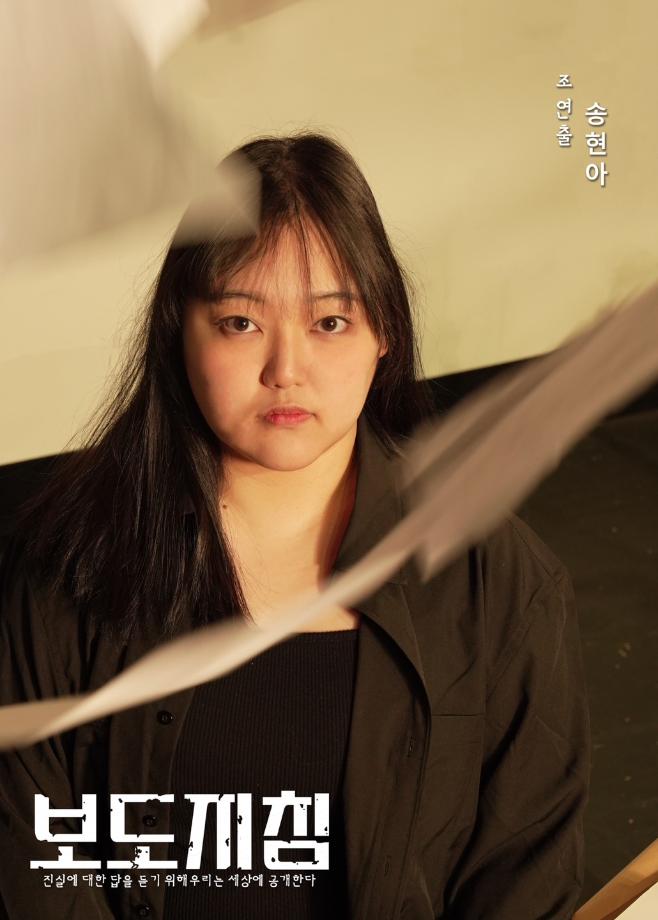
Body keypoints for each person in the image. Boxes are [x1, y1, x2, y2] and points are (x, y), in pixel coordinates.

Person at [0, 132, 590, 919]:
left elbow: (524, 874)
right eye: (240, 322)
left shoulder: (500, 582)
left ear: (384, 333)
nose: (286, 369)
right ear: (180, 334)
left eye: (330, 323)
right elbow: (33, 863)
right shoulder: (68, 564)